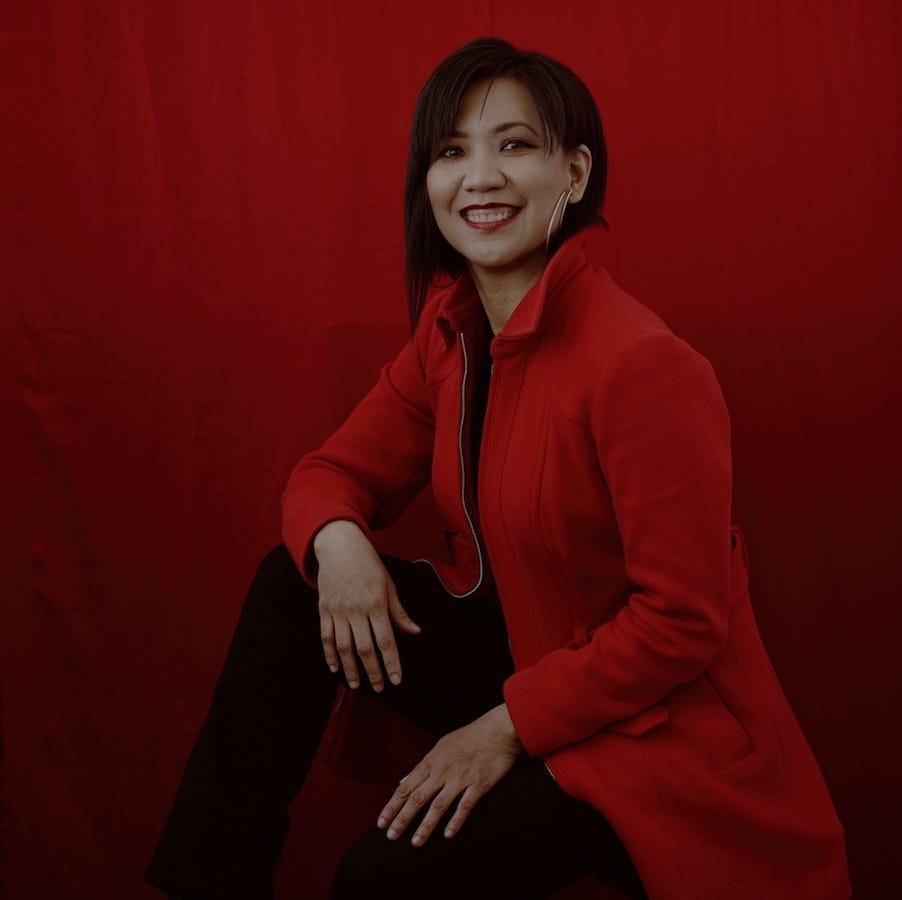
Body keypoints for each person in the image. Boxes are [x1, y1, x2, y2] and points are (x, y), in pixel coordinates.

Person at [146, 37, 850, 899]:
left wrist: (502, 727)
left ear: (574, 173)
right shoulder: (451, 333)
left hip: (642, 723)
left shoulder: (643, 365)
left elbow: (681, 622)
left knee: (377, 881)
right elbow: (329, 472)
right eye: (452, 152)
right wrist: (339, 543)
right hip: (516, 650)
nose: (479, 177)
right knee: (292, 586)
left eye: (514, 145)